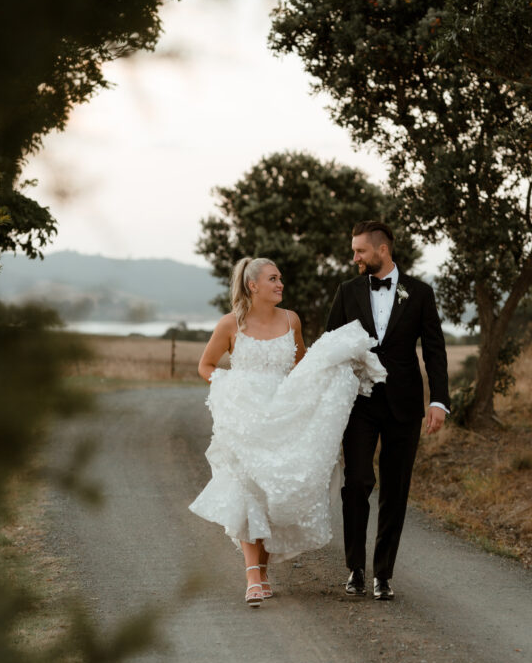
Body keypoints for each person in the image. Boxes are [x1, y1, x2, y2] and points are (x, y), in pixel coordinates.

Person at [189, 255, 385, 607]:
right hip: (245, 417)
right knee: (247, 487)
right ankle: (252, 577)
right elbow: (205, 366)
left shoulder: (291, 320)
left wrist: (334, 375)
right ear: (253, 286)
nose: (280, 284)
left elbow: (302, 367)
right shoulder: (230, 325)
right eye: (273, 279)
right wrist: (228, 390)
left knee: (271, 493)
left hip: (283, 415)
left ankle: (261, 572)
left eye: (280, 279)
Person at [326, 220, 450, 601]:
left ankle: (383, 574)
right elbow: (329, 346)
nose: (355, 257)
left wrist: (438, 400)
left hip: (404, 404)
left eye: (360, 250)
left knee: (396, 489)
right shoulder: (347, 292)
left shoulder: (421, 293)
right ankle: (355, 568)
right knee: (358, 482)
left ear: (382, 250)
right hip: (358, 403)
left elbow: (434, 349)